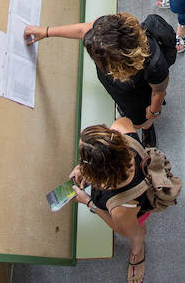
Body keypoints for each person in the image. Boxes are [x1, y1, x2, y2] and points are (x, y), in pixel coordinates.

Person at [24, 13, 170, 148]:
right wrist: (46, 32)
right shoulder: (105, 30)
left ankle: (147, 128)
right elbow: (83, 30)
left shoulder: (155, 67)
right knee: (122, 100)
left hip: (136, 92)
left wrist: (152, 113)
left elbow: (158, 92)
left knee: (140, 120)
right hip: (120, 86)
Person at [71, 117, 164, 283]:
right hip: (137, 181)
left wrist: (88, 202)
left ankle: (137, 253)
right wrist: (82, 168)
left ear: (100, 173)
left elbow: (123, 230)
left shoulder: (121, 207)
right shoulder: (121, 127)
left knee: (136, 234)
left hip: (135, 211)